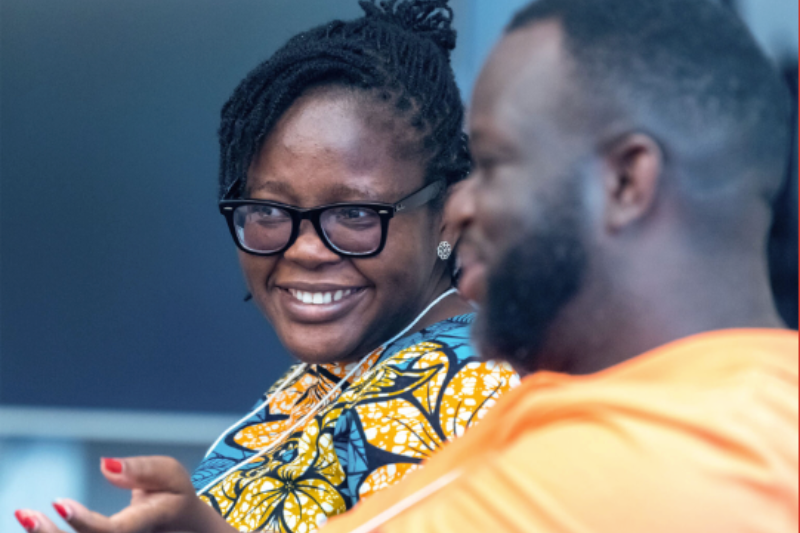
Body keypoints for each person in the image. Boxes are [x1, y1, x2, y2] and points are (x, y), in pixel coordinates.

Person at [13, 1, 518, 533]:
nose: (304, 249)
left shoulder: (471, 386)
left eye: (354, 213)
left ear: (447, 212)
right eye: (270, 211)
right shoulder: (348, 364)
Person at [312, 0, 800, 531]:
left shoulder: (644, 462)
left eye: (493, 165)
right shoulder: (724, 408)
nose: (459, 207)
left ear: (625, 183)